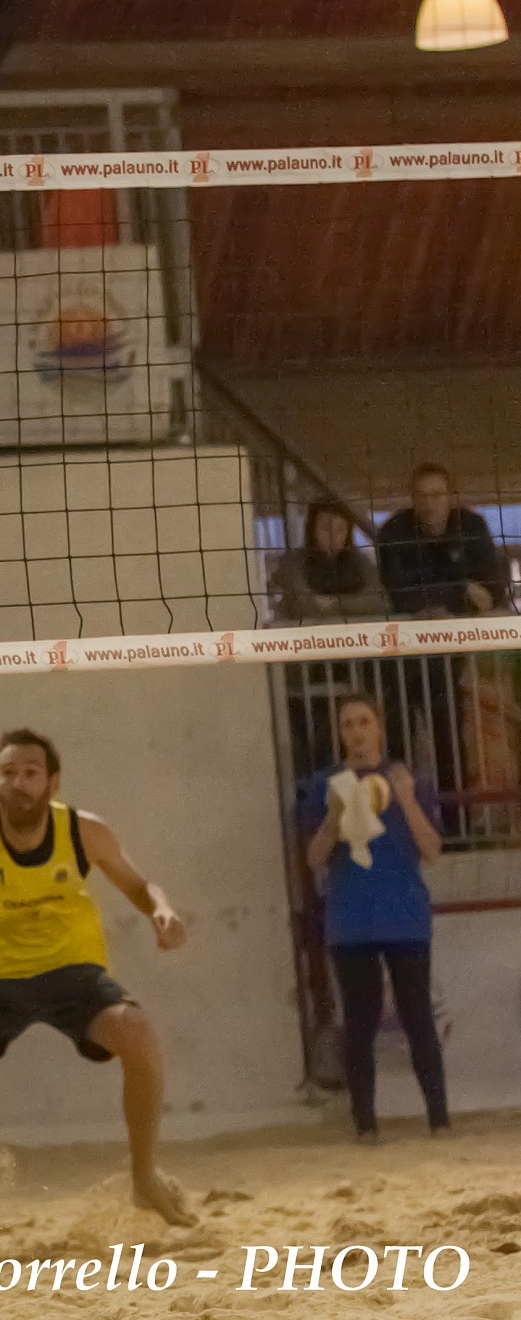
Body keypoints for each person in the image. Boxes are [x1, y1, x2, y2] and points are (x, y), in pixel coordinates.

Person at [0, 729, 197, 1242]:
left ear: (52, 783)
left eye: (30, 773)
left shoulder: (84, 832)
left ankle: (144, 1177)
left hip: (73, 977)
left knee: (141, 1036)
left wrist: (163, 911)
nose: (18, 783)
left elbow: (139, 886)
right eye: (8, 772)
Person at [297, 693, 450, 1141]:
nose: (357, 731)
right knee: (360, 1025)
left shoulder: (408, 780)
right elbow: (314, 857)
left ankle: (439, 1121)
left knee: (418, 1017)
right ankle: (365, 1127)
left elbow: (433, 850)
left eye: (364, 721)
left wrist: (405, 798)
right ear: (340, 733)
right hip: (352, 922)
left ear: (380, 727)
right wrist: (333, 817)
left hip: (405, 917)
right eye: (348, 724)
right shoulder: (327, 783)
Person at [377, 463, 509, 618]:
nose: (429, 504)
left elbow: (490, 590)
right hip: (412, 622)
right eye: (421, 495)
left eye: (437, 494)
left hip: (469, 620)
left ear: (450, 496)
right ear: (412, 498)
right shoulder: (394, 531)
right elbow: (395, 591)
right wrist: (462, 591)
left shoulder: (472, 526)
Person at [269, 499, 389, 623]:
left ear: (348, 533)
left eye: (340, 529)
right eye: (326, 528)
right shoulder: (292, 562)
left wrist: (336, 602)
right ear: (311, 530)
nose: (333, 536)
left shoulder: (359, 561)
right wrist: (355, 606)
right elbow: (305, 607)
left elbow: (382, 603)